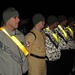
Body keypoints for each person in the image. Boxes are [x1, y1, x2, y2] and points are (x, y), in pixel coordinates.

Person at [0, 7, 28, 75]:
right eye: (15, 17)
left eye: (18, 17)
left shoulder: (21, 35)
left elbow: (24, 54)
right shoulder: (1, 36)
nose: (18, 20)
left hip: (23, 72)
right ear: (7, 19)